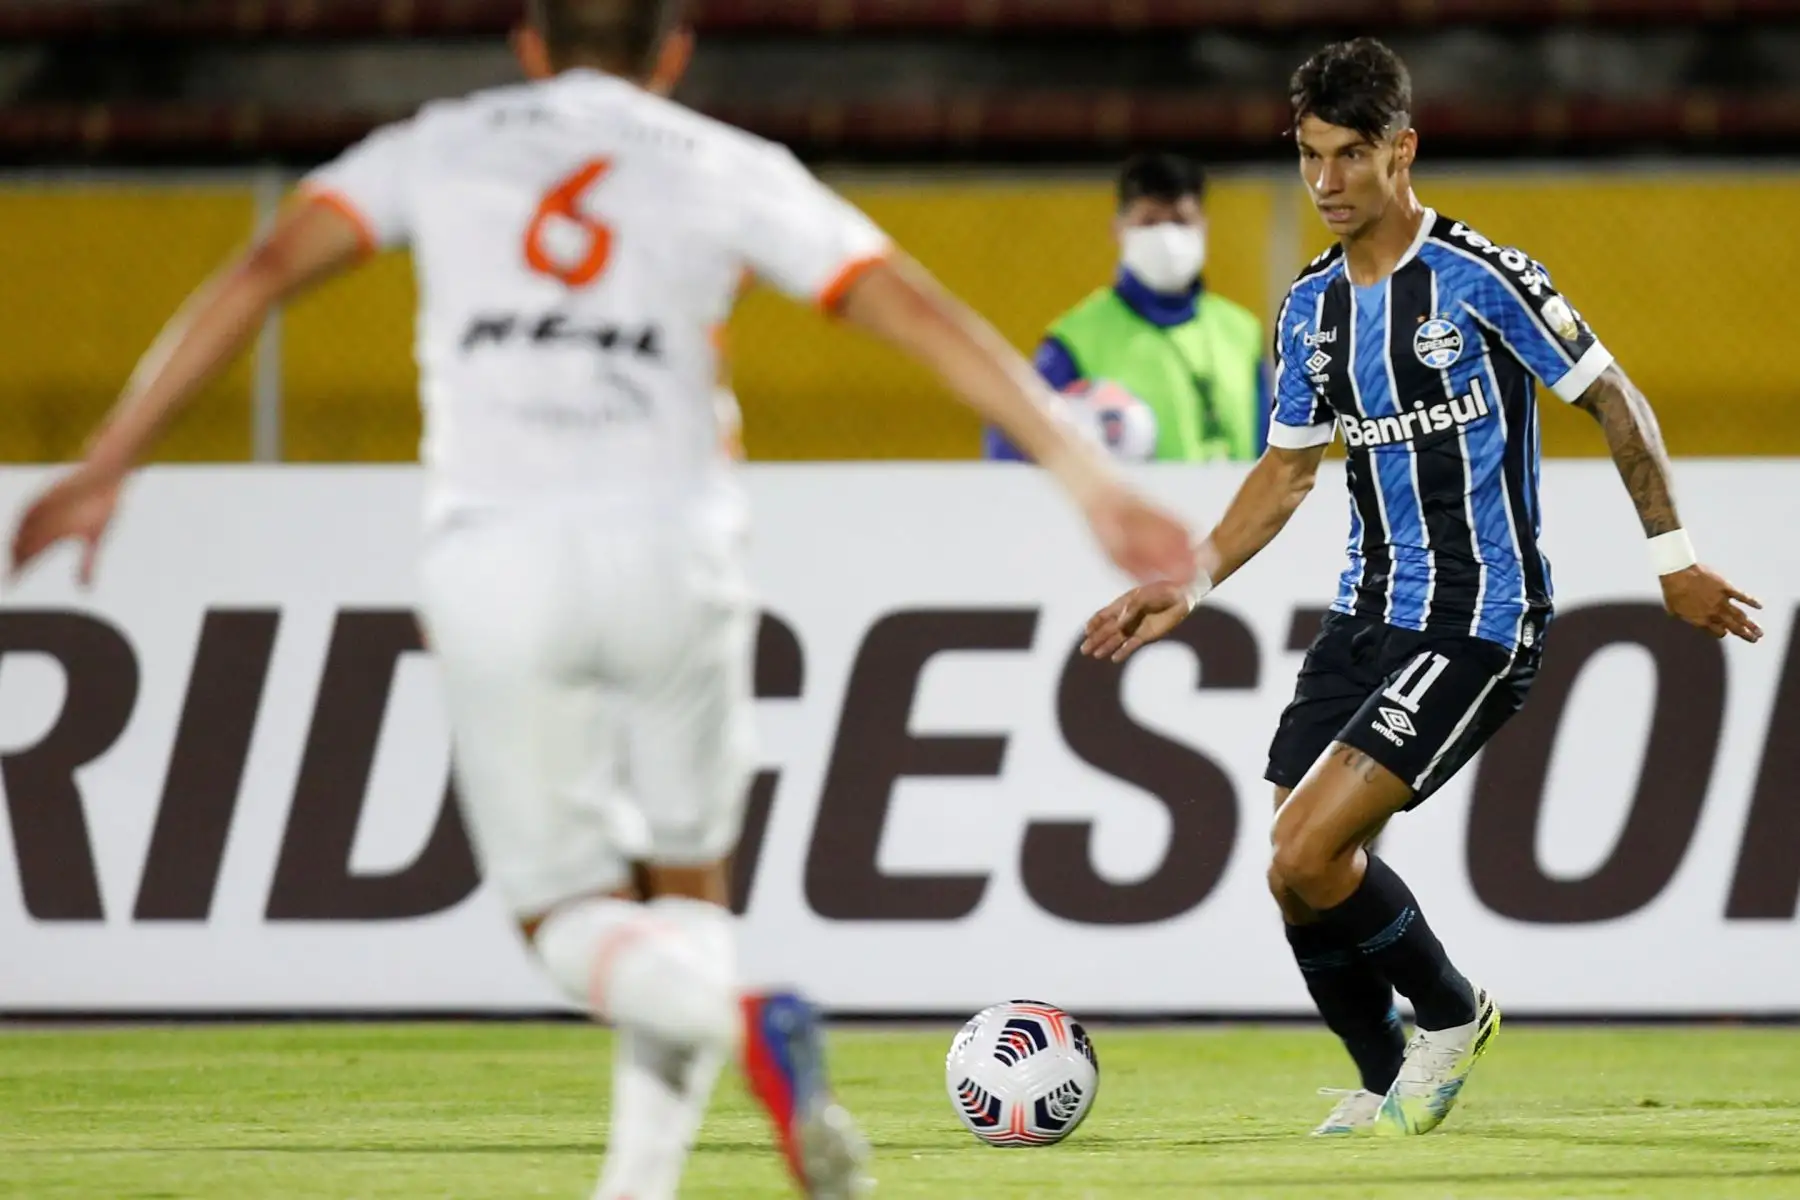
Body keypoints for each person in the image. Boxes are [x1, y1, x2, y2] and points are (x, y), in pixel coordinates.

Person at [6, 2, 1197, 1197]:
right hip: (681, 555)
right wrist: (1088, 484)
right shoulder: (730, 165)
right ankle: (650, 1162)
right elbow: (913, 307)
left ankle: (734, 1037)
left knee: (568, 922)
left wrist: (111, 457)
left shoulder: (440, 142)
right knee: (688, 896)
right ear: (672, 51)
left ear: (529, 42)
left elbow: (267, 268)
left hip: (498, 555)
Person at [1080, 37, 1762, 1139]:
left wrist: (1674, 560)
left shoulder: (1481, 277)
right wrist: (1191, 582)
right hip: (1367, 617)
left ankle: (1451, 1015)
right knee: (1295, 872)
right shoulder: (1311, 308)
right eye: (1308, 157)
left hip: (1482, 619)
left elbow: (1615, 398)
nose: (1326, 184)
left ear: (1405, 150)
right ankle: (1381, 1073)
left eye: (1351, 156)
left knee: (1308, 846)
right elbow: (1290, 468)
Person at [983, 152, 1267, 463]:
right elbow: (1008, 446)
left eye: (1180, 221)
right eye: (1149, 221)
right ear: (1118, 229)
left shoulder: (1241, 333)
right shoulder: (1075, 341)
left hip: (1232, 510)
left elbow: (1274, 452)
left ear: (1203, 227)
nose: (1167, 236)